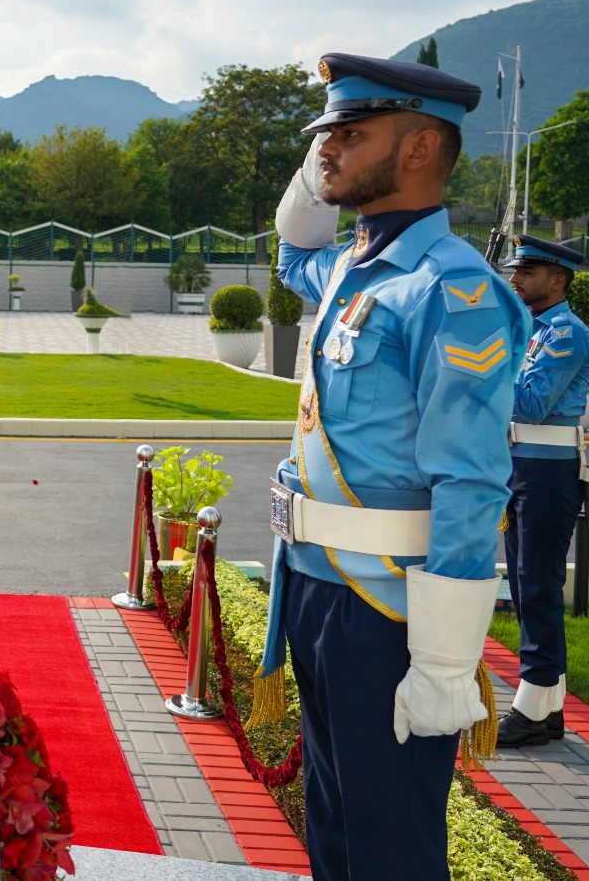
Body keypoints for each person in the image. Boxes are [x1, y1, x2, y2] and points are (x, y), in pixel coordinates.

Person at [259, 53, 531, 881]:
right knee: (336, 831)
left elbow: (472, 481)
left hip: (387, 607)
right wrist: (317, 174)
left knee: (391, 847)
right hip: (316, 582)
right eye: (324, 138)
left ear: (418, 149)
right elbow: (289, 252)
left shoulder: (451, 289)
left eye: (349, 134)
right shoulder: (355, 266)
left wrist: (446, 661)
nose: (328, 151)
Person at [496, 235, 589, 748]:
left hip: (548, 471)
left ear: (557, 280)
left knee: (536, 583)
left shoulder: (567, 334)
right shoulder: (530, 329)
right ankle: (548, 708)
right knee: (530, 580)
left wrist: (491, 366)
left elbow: (530, 405)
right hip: (523, 467)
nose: (515, 280)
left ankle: (532, 710)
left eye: (526, 272)